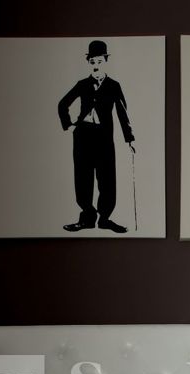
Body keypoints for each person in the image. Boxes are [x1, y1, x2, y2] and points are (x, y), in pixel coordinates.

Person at [57, 40, 135, 234]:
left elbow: (122, 113)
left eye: (99, 61)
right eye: (92, 62)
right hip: (83, 136)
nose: (96, 65)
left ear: (106, 61)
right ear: (88, 62)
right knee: (82, 177)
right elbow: (62, 104)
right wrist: (69, 125)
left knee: (106, 177)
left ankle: (105, 219)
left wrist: (129, 139)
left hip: (104, 138)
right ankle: (87, 218)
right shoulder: (82, 84)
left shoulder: (114, 86)